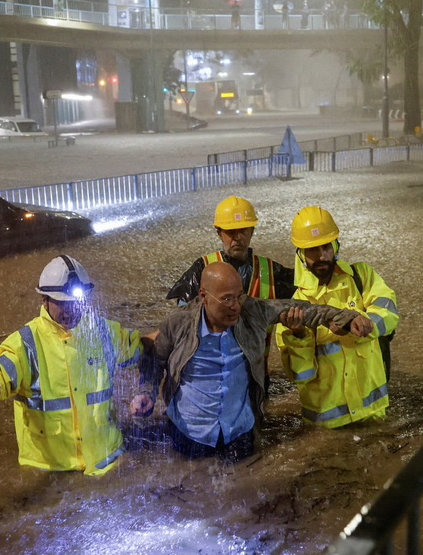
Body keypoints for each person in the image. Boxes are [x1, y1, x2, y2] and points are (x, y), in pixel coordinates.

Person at [135, 262, 372, 461]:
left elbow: (306, 309)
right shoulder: (178, 323)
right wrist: (146, 392)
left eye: (239, 296)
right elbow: (155, 360)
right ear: (204, 297)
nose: (236, 306)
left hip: (238, 432)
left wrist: (347, 317)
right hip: (189, 432)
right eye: (227, 299)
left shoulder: (252, 311)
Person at [0, 256, 151, 475]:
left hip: (107, 461)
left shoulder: (103, 332)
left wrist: (176, 326)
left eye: (76, 302)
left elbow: (145, 348)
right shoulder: (26, 344)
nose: (71, 310)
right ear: (44, 300)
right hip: (50, 470)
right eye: (62, 303)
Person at [276, 206, 399, 428]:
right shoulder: (294, 306)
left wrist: (364, 323)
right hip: (327, 425)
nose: (322, 256)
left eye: (326, 246)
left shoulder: (362, 276)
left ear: (336, 245)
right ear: (301, 254)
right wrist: (299, 334)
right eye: (312, 250)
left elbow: (389, 313)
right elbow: (301, 375)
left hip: (373, 412)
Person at [166, 195, 295, 304]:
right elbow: (183, 313)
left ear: (251, 232)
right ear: (219, 234)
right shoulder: (202, 267)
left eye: (243, 230)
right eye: (231, 231)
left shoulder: (271, 270)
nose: (237, 237)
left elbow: (302, 289)